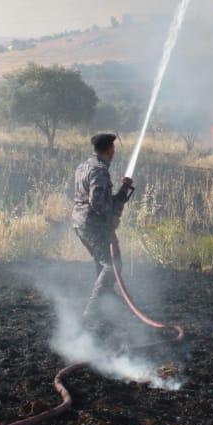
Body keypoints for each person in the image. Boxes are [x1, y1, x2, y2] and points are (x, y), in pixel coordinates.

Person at [72, 132, 134, 330]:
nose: (114, 152)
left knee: (103, 260)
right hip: (93, 224)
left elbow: (103, 200)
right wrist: (112, 218)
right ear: (109, 150)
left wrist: (124, 190)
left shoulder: (84, 166)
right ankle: (92, 310)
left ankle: (105, 298)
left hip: (81, 222)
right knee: (112, 264)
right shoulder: (99, 170)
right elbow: (98, 202)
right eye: (113, 149)